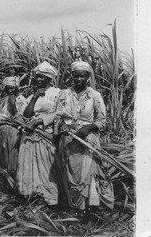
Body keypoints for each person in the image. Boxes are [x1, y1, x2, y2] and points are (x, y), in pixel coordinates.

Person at [51, 61, 114, 215]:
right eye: (76, 76)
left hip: (87, 140)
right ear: (72, 76)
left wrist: (87, 128)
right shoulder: (64, 94)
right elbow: (57, 116)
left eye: (82, 76)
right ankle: (74, 206)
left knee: (87, 172)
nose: (79, 79)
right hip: (68, 139)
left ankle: (88, 207)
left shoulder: (94, 95)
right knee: (70, 172)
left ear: (88, 77)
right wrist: (61, 127)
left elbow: (102, 120)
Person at [16, 61, 60, 206]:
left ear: (49, 78)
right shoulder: (31, 96)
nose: (39, 79)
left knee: (46, 166)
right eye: (37, 77)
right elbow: (27, 115)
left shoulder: (57, 94)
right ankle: (32, 195)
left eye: (42, 77)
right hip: (30, 135)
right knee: (29, 165)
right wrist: (34, 97)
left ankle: (49, 197)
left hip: (46, 135)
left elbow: (59, 113)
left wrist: (39, 121)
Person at [0, 76, 27, 179]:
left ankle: (14, 183)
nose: (10, 90)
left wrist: (13, 105)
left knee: (13, 157)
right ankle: (5, 183)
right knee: (3, 157)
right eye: (8, 88)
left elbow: (21, 121)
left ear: (17, 87)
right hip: (3, 131)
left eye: (13, 87)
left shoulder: (22, 100)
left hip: (14, 131)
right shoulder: (4, 100)